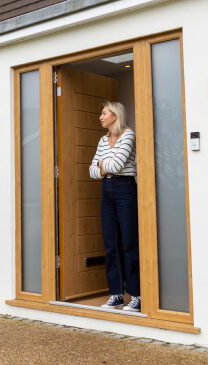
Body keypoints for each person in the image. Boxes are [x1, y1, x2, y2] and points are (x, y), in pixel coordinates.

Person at [89, 101, 140, 312]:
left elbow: (117, 166)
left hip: (125, 189)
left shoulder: (128, 135)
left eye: (104, 113)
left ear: (115, 116)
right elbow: (91, 170)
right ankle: (116, 295)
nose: (100, 117)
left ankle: (136, 296)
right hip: (107, 190)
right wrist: (101, 167)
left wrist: (102, 165)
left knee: (129, 244)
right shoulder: (103, 140)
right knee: (111, 246)